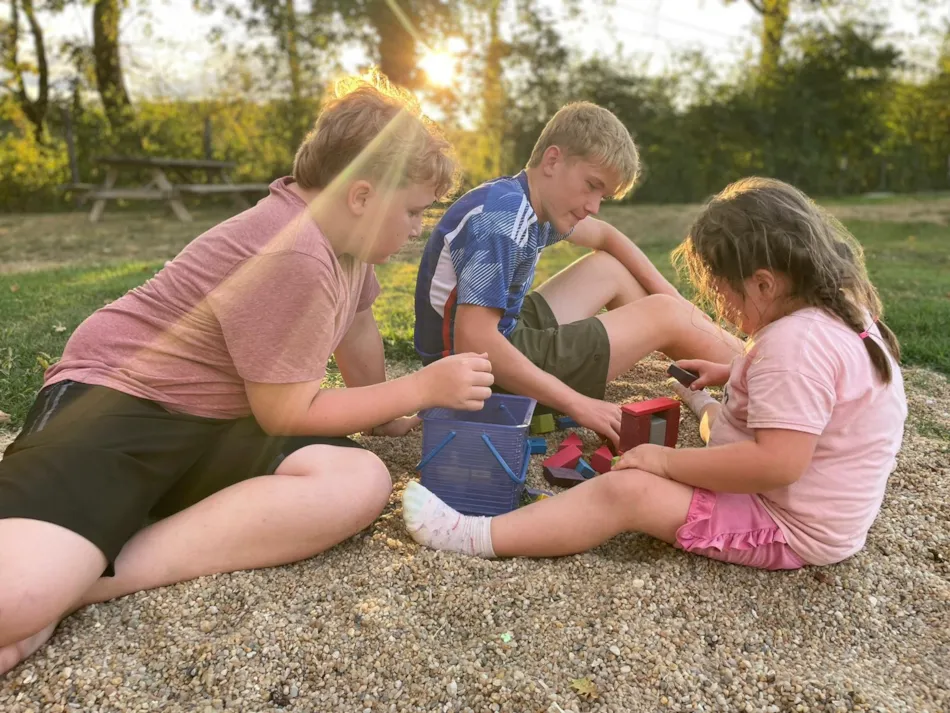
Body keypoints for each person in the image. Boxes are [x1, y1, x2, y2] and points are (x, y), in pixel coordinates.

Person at [0, 72, 494, 674]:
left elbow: (357, 323)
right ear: (362, 196)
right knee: (15, 599)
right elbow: (285, 413)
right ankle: (59, 576)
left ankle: (99, 574)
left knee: (358, 478)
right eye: (413, 210)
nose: (418, 228)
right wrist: (419, 387)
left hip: (215, 420)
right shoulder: (294, 250)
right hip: (117, 404)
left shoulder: (347, 244)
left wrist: (383, 411)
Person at [403, 177, 907, 572]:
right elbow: (818, 394)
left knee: (627, 491)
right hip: (811, 508)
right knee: (717, 420)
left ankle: (475, 535)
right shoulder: (835, 316)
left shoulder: (793, 346)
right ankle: (703, 404)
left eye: (722, 293)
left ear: (763, 284)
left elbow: (777, 464)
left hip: (783, 526)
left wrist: (665, 462)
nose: (722, 308)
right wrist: (735, 368)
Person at [413, 101, 742, 449]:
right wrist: (579, 404)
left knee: (610, 270)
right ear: (552, 160)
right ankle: (763, 368)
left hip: (502, 334)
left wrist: (673, 296)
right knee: (665, 314)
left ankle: (718, 345)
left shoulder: (518, 199)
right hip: (480, 379)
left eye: (603, 196)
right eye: (591, 185)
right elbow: (474, 341)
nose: (594, 206)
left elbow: (606, 236)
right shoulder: (503, 218)